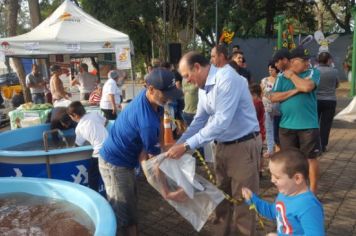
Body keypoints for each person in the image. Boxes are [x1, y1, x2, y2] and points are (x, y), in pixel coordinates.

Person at [166, 51, 262, 236]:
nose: (187, 81)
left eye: (187, 76)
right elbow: (200, 120)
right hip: (223, 146)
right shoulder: (204, 88)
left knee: (244, 201)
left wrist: (186, 146)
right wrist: (179, 143)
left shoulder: (226, 79)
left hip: (243, 145)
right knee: (220, 198)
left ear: (197, 67)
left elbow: (221, 121)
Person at [99, 68, 183, 236]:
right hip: (114, 164)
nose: (169, 97)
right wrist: (167, 192)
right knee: (122, 213)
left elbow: (159, 122)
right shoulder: (146, 122)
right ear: (151, 89)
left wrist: (163, 146)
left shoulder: (152, 101)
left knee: (131, 206)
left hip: (127, 160)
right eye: (165, 93)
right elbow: (153, 162)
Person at [271, 46, 321, 194]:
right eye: (303, 60)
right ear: (293, 61)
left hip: (308, 125)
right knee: (288, 160)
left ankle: (312, 192)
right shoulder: (280, 77)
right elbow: (273, 97)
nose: (307, 63)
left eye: (308, 60)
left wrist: (292, 76)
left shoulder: (313, 72)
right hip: (286, 126)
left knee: (310, 159)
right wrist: (296, 89)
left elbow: (307, 87)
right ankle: (289, 189)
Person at [242, 149, 325, 236]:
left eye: (277, 177)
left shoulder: (308, 206)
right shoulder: (285, 193)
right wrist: (253, 200)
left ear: (297, 178)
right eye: (271, 175)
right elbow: (273, 212)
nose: (272, 180)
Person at [67, 101, 108, 192]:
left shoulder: (79, 128)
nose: (70, 118)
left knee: (92, 176)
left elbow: (77, 145)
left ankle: (94, 196)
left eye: (70, 116)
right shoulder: (94, 114)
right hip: (111, 145)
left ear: (74, 115)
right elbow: (106, 121)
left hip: (100, 151)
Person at [316, 52, 339, 152]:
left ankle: (314, 144)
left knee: (314, 123)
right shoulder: (334, 71)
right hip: (330, 101)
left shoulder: (314, 71)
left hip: (316, 100)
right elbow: (337, 85)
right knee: (326, 124)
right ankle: (323, 145)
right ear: (328, 60)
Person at [261, 62, 279, 158]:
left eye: (272, 70)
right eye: (269, 70)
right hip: (268, 108)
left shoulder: (281, 80)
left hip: (279, 109)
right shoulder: (265, 80)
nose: (270, 71)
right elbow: (261, 93)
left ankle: (279, 148)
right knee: (269, 129)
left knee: (279, 129)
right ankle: (270, 149)